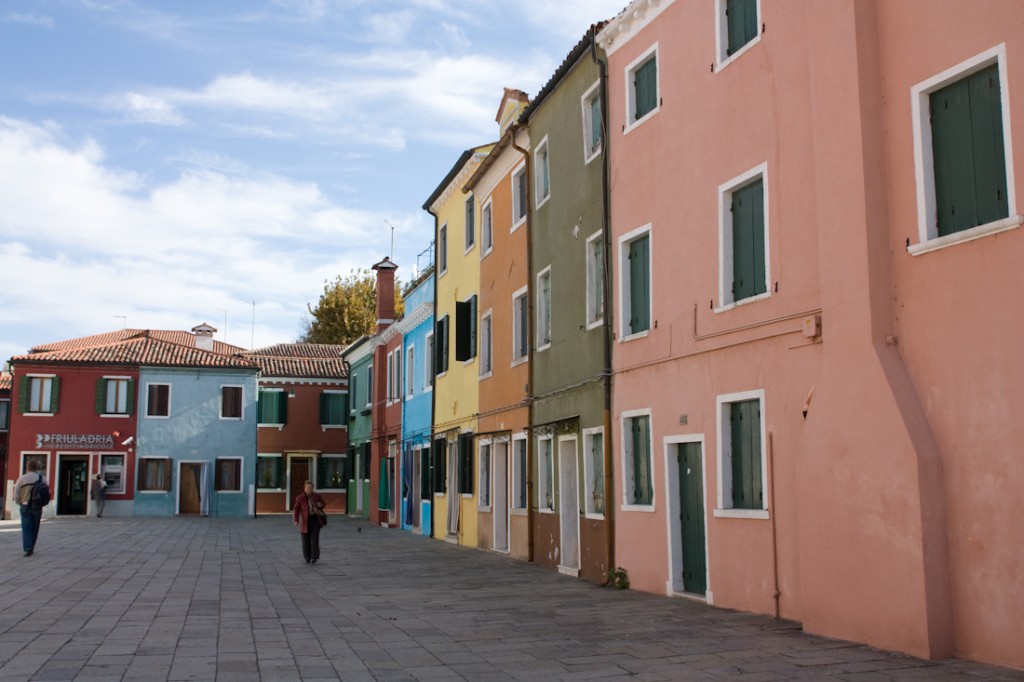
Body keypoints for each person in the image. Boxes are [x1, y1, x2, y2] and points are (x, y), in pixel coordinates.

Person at [13, 460, 47, 557]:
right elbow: (46, 492)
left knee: (26, 527)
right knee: (35, 527)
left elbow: (16, 493)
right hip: (37, 506)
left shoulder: (22, 479)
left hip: (25, 505)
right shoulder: (42, 478)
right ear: (36, 467)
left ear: (27, 467)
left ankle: (28, 547)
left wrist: (19, 502)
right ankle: (31, 546)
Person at [293, 480, 327, 564]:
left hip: (315, 520)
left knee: (315, 539)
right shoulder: (299, 498)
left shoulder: (317, 496)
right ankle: (307, 557)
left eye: (311, 488)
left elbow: (324, 503)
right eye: (307, 488)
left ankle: (314, 557)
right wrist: (296, 520)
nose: (309, 490)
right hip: (305, 521)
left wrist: (320, 504)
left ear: (313, 488)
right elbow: (296, 510)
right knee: (305, 540)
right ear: (304, 488)